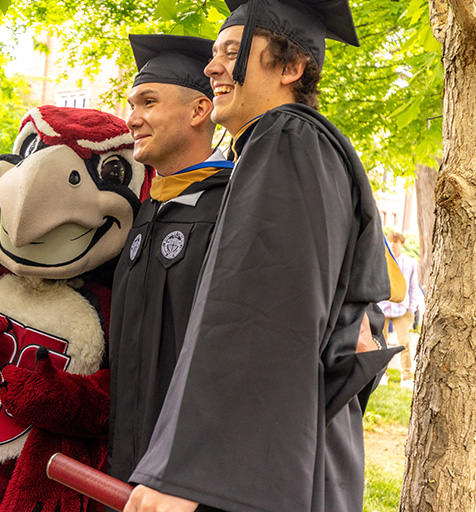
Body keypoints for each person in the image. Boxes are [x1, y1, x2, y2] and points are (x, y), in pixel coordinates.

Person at [123, 0, 399, 510]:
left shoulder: (288, 137)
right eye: (213, 53)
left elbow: (260, 313)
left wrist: (187, 472)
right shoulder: (286, 149)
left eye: (232, 51)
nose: (212, 68)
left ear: (291, 68)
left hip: (251, 475)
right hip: (281, 454)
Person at [109, 34, 234, 483]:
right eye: (131, 104)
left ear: (199, 110)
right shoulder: (143, 211)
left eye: (147, 102)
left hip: (193, 471)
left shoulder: (233, 205)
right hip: (125, 458)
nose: (132, 119)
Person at [378, 231, 422, 389]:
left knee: (405, 343)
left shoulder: (410, 263)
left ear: (402, 244)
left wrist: (412, 309)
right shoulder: (382, 260)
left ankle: (406, 377)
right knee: (380, 343)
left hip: (402, 309)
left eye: (396, 242)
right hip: (382, 308)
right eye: (391, 241)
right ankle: (382, 374)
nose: (393, 245)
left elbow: (413, 286)